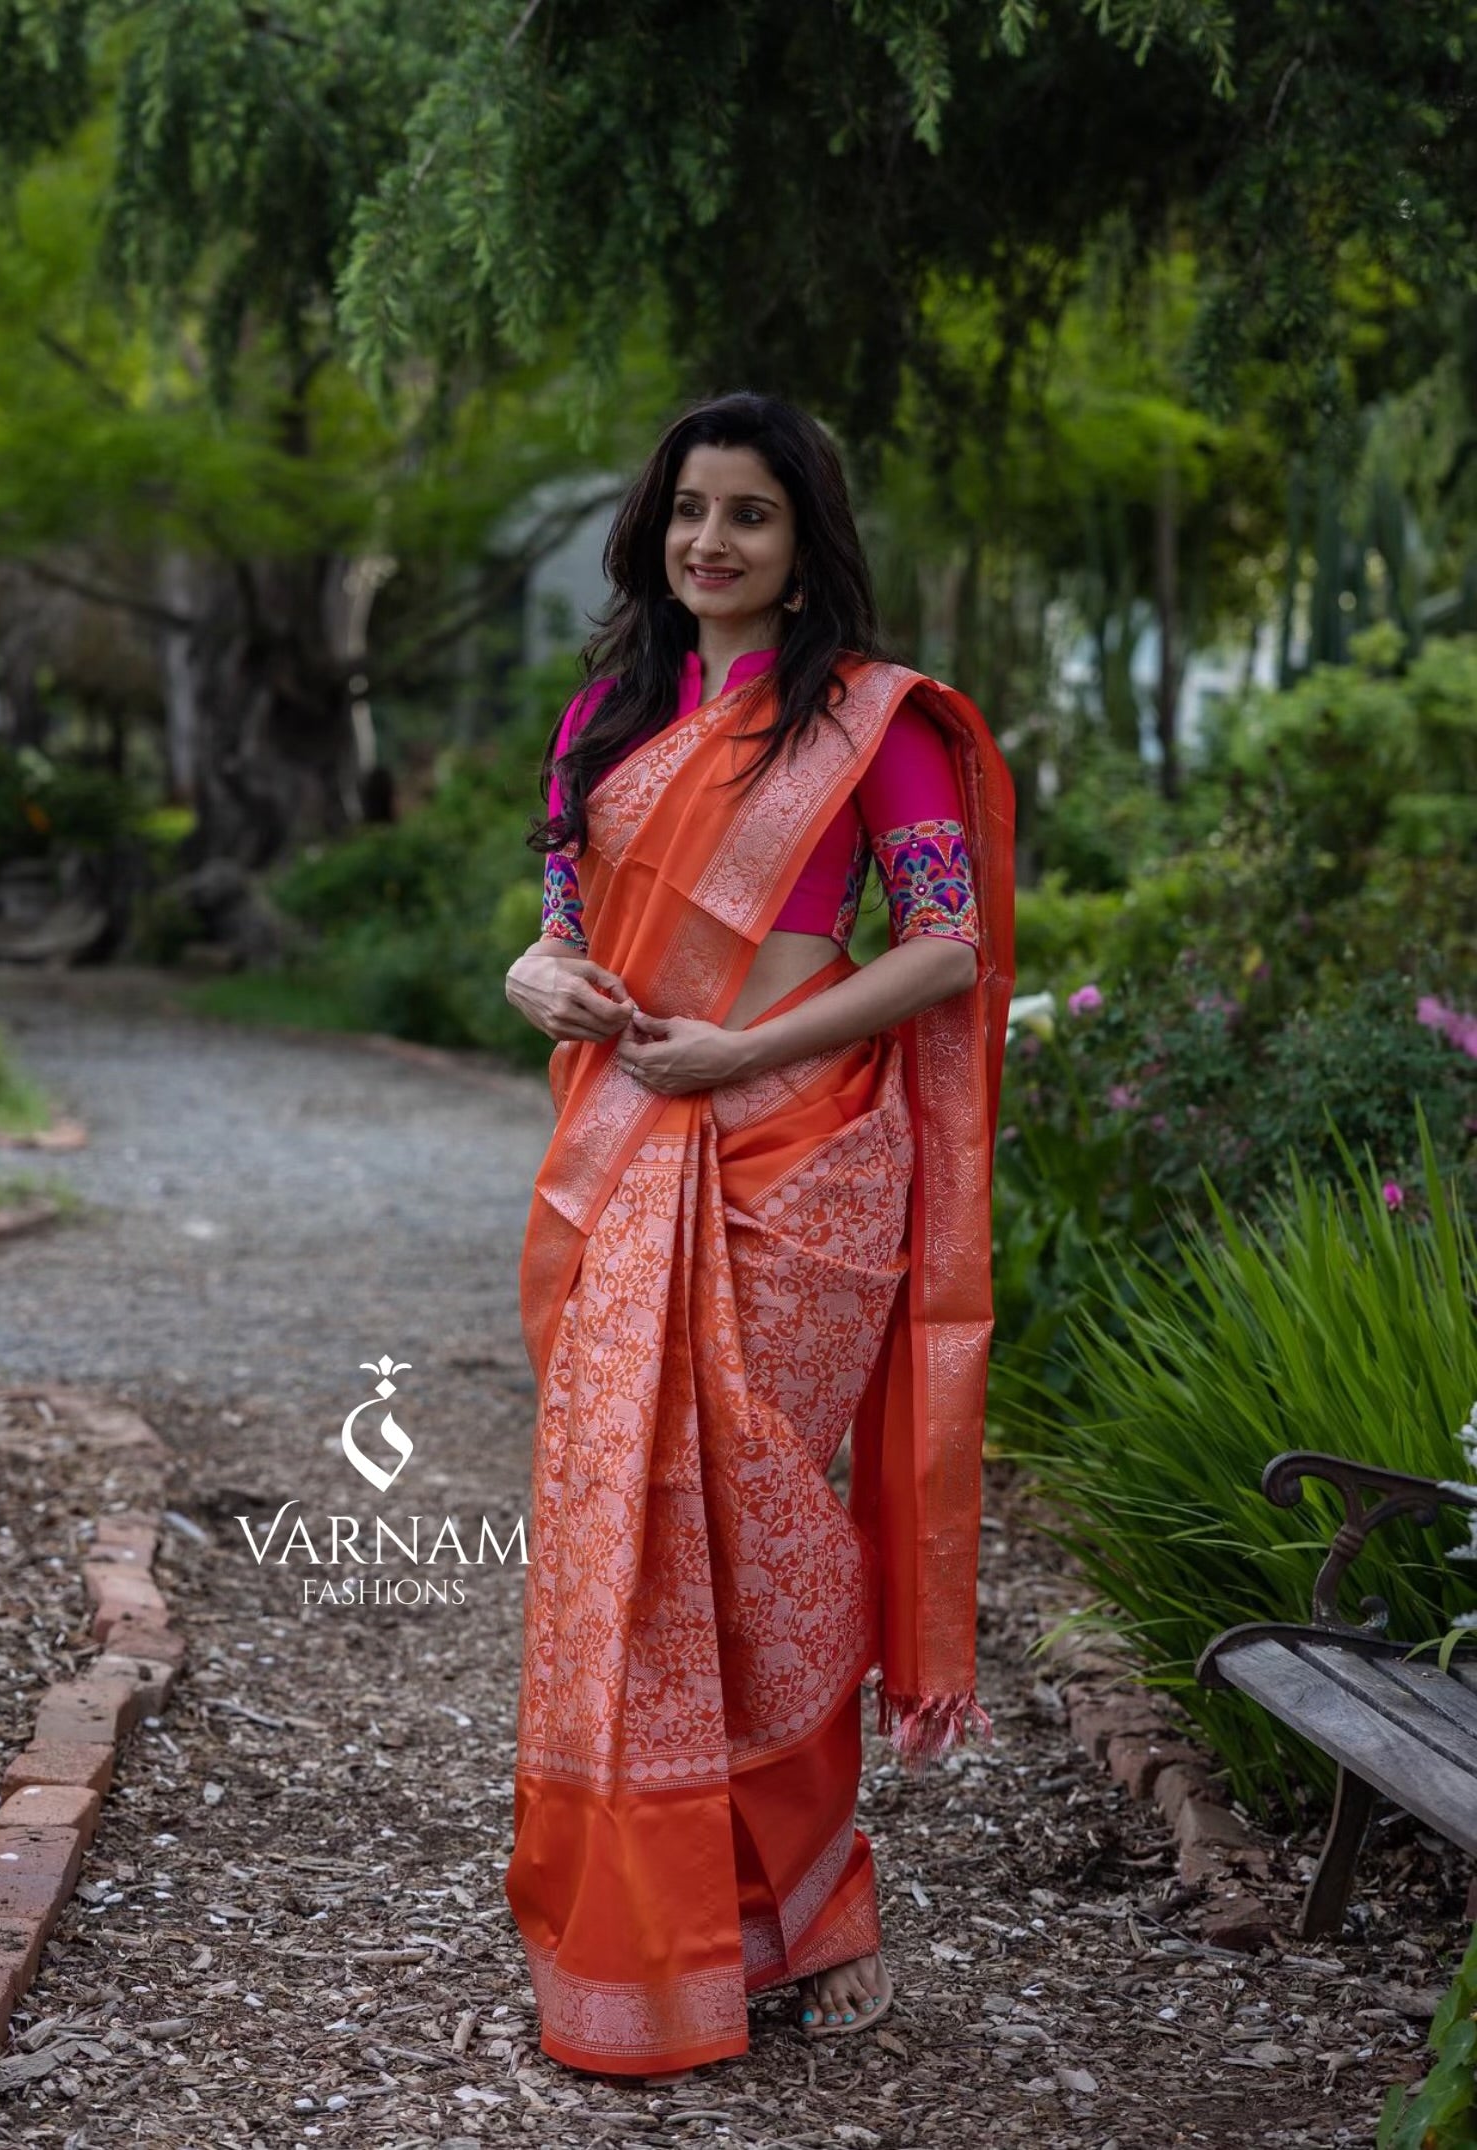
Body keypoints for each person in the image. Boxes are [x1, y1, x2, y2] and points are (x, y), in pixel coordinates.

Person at [502, 391, 1015, 2082]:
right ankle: (665, 1924)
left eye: (748, 516)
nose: (708, 541)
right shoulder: (608, 716)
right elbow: (561, 935)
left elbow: (944, 947)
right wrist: (536, 977)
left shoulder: (878, 726)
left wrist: (746, 1053)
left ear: (805, 552)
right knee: (641, 1552)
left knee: (772, 1545)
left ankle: (815, 1904)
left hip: (801, 1170)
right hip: (630, 1152)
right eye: (687, 511)